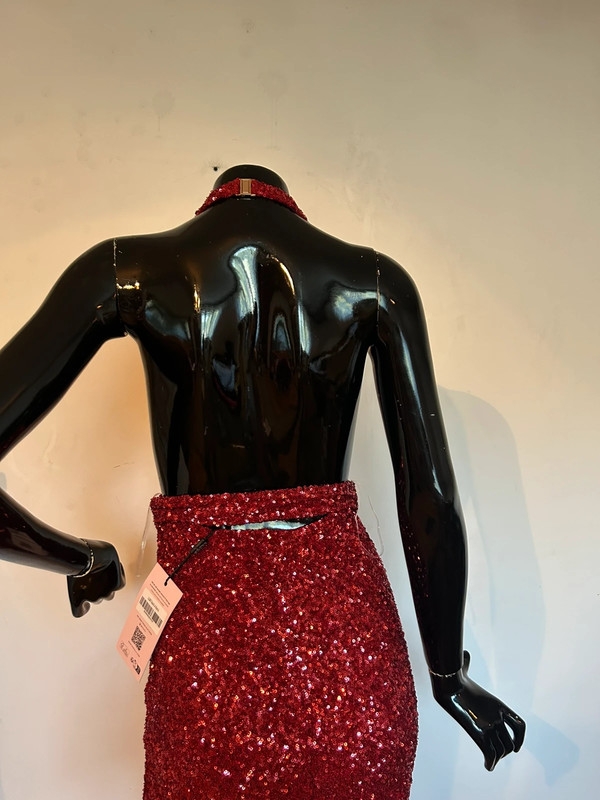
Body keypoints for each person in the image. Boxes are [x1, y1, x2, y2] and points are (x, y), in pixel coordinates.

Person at [0, 165, 524, 798]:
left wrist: (80, 558)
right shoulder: (375, 284)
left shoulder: (126, 272)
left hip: (207, 673)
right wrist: (448, 675)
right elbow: (430, 500)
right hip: (351, 666)